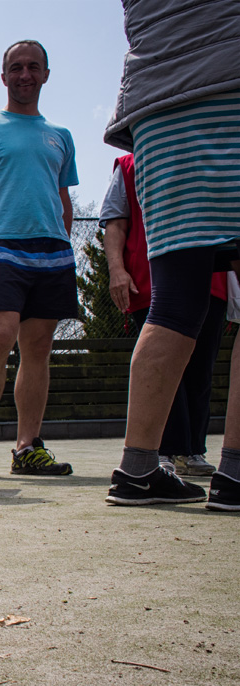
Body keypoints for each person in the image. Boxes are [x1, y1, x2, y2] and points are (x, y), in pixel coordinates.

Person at [103, 0, 240, 510]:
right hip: (229, 84)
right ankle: (236, 474)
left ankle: (137, 470)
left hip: (156, 110)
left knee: (174, 305)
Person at [0, 40, 78, 478]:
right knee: (0, 337)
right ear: (3, 76)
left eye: (33, 67)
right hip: (1, 247)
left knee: (38, 348)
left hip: (52, 252)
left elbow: (62, 198)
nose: (25, 75)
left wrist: (64, 243)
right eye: (17, 67)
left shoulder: (61, 135)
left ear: (45, 74)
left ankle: (27, 448)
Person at [99, 153, 228, 477]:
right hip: (150, 280)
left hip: (212, 279)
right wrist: (117, 269)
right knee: (163, 364)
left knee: (201, 370)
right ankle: (162, 451)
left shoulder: (211, 152)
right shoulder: (129, 165)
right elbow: (115, 222)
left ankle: (191, 450)